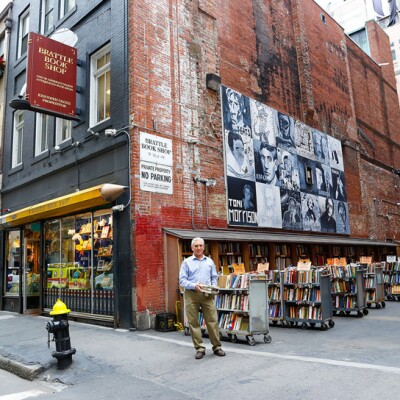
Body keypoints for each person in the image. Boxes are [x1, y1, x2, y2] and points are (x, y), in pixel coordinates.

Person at [179, 237, 226, 360]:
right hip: (191, 294)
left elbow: (214, 277)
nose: (199, 248)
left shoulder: (209, 262)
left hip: (207, 295)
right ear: (192, 248)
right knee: (193, 322)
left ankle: (217, 347)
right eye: (196, 246)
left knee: (212, 320)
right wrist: (194, 286)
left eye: (201, 245)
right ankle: (199, 348)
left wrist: (213, 287)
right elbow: (182, 280)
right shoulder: (186, 262)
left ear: (204, 247)